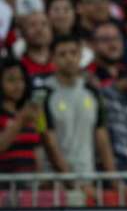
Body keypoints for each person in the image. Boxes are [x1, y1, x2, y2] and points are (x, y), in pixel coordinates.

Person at [39, 34, 116, 176]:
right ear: (52, 59)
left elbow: (102, 137)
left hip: (87, 176)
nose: (69, 58)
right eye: (62, 54)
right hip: (54, 183)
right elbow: (48, 140)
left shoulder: (92, 92)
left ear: (80, 56)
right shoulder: (43, 95)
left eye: (73, 53)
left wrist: (114, 178)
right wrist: (71, 181)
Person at [0, 59, 41, 174]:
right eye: (11, 80)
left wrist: (39, 179)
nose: (18, 85)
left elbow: (36, 150)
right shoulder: (24, 116)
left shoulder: (29, 113)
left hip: (29, 188)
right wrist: (20, 121)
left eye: (21, 79)